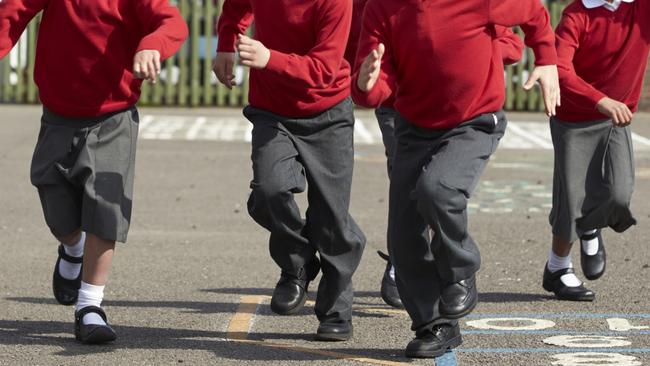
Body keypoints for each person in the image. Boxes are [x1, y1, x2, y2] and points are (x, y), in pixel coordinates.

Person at [352, 0, 560, 358]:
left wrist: (546, 60)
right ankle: (435, 325)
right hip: (414, 127)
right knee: (403, 237)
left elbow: (535, 14)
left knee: (438, 188)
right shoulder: (382, 8)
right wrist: (367, 82)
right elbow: (374, 84)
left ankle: (460, 270)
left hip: (474, 121)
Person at [0, 0, 188, 344]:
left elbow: (172, 24)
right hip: (58, 115)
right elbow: (13, 13)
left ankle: (90, 306)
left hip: (113, 117)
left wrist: (151, 45)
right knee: (56, 205)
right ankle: (73, 248)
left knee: (106, 207)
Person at [344, 1, 526, 309]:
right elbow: (358, 59)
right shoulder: (371, 6)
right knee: (410, 193)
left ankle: (450, 268)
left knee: (435, 187)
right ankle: (412, 277)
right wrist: (363, 81)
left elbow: (512, 42)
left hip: (455, 108)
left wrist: (461, 46)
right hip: (398, 107)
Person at [214, 0, 366, 341]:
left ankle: (336, 310)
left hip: (328, 112)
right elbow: (236, 8)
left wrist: (270, 58)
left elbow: (326, 67)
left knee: (331, 216)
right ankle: (297, 262)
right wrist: (226, 43)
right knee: (269, 191)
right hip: (272, 111)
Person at [543, 0, 649, 301]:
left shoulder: (641, 8)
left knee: (618, 195)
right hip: (574, 119)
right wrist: (600, 99)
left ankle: (591, 227)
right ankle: (557, 268)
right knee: (572, 200)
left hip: (616, 119)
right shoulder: (576, 14)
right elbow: (559, 70)